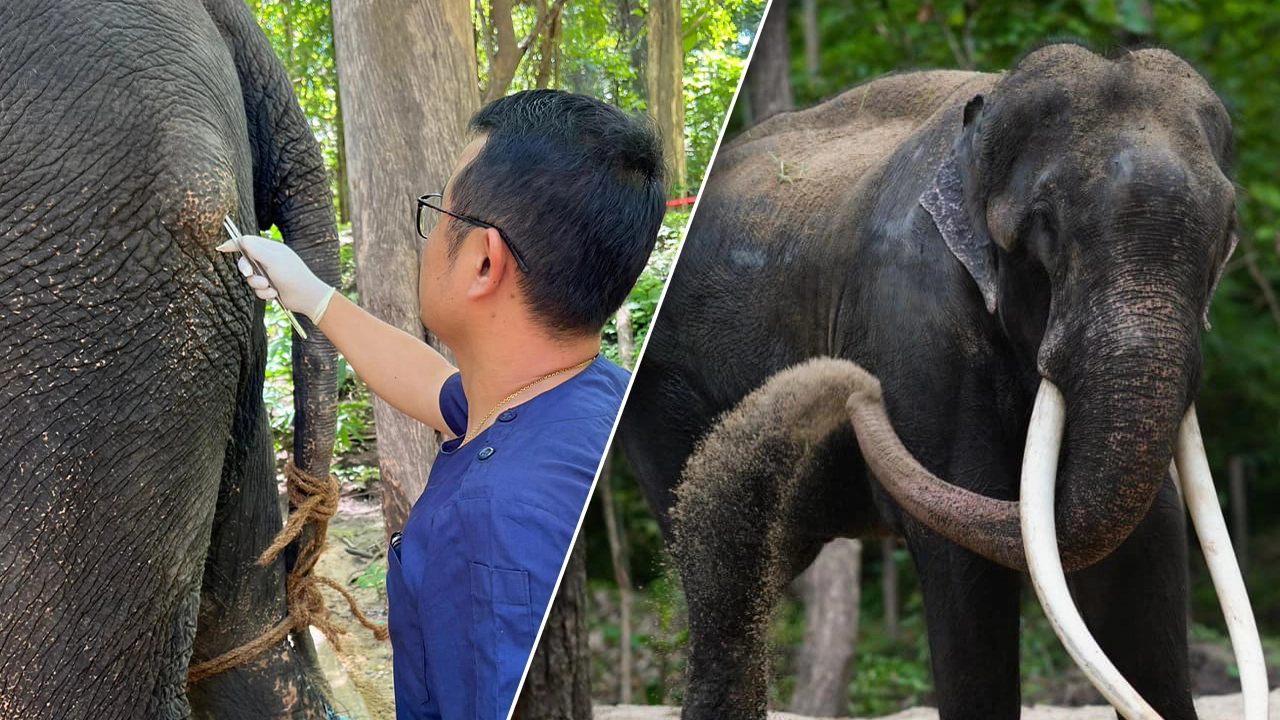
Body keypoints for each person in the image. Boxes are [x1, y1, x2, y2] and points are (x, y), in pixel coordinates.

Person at [218, 89, 666, 720]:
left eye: (439, 214)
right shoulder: (584, 395)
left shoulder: (491, 523)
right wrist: (312, 295)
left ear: (485, 261)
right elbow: (432, 385)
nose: (427, 238)